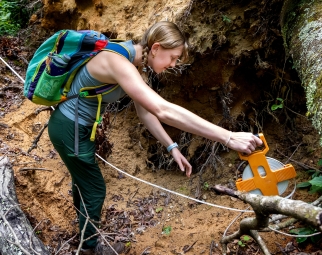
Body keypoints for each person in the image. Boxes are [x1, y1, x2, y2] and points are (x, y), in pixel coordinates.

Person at [48, 21, 262, 255]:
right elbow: (164, 110)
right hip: (70, 128)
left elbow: (146, 113)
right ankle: (88, 249)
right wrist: (228, 137)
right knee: (94, 189)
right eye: (173, 57)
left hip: (77, 129)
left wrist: (172, 148)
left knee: (84, 182)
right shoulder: (118, 61)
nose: (173, 64)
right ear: (156, 47)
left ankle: (83, 233)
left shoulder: (135, 65)